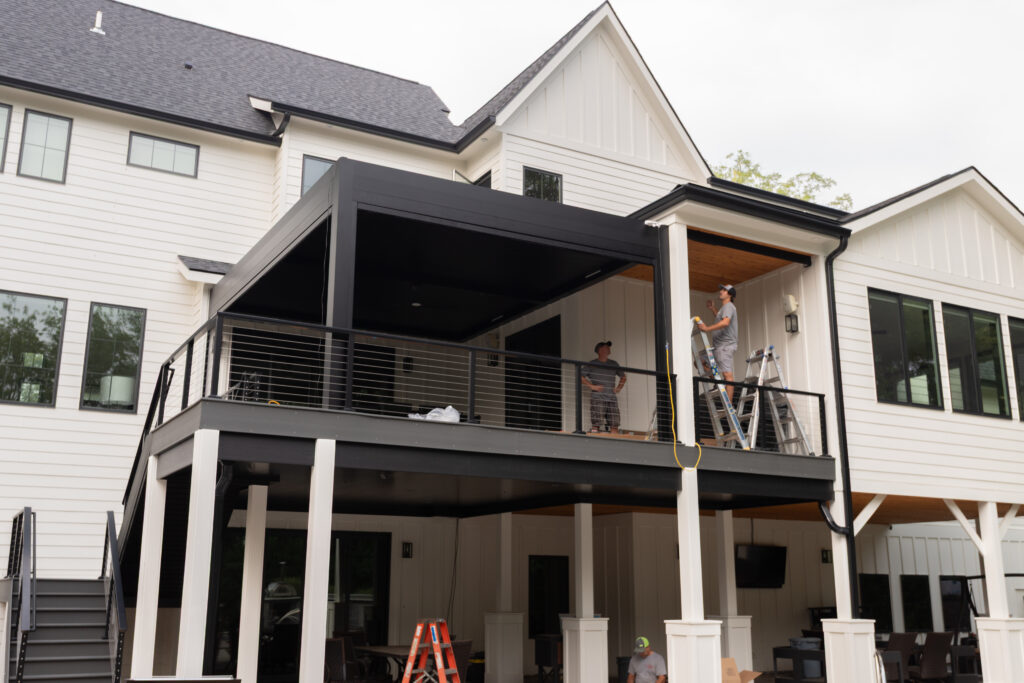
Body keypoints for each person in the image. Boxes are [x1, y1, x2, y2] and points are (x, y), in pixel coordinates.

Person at [698, 284, 738, 401]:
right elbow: (720, 318)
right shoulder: (724, 308)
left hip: (725, 346)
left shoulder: (729, 306)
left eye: (724, 290)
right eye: (721, 289)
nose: (721, 291)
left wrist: (706, 328)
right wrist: (713, 309)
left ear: (729, 294)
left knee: (727, 376)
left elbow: (725, 322)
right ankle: (717, 383)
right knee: (699, 360)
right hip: (717, 347)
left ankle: (729, 407)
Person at [581, 340, 626, 433]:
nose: (609, 348)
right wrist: (592, 386)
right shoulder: (592, 364)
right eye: (606, 347)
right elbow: (580, 376)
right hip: (598, 398)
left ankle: (615, 443)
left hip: (612, 398)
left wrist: (618, 388)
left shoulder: (614, 364)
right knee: (596, 424)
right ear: (600, 350)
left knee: (614, 424)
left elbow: (623, 377)